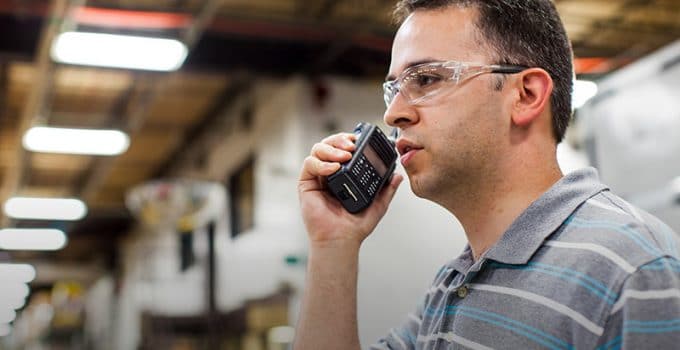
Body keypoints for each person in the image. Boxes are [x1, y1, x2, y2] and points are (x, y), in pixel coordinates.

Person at [294, 0, 680, 349]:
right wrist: (333, 245)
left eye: (426, 79)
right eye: (393, 89)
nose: (394, 114)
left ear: (526, 94)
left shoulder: (634, 272)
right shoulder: (453, 285)